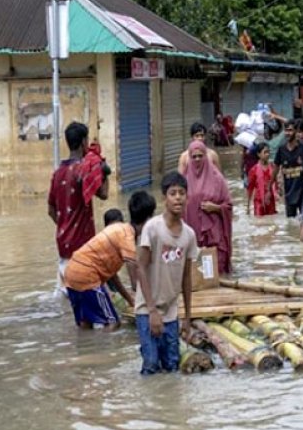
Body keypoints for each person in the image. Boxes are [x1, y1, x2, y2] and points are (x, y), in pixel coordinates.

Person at [135, 172, 199, 375]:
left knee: (172, 365)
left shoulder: (189, 235)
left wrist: (187, 317)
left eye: (182, 193)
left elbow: (186, 278)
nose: (178, 197)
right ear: (165, 198)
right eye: (173, 193)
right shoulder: (152, 229)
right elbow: (140, 268)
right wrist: (152, 311)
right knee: (151, 365)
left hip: (171, 311)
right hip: (148, 309)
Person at [63, 191, 156, 330]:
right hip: (86, 275)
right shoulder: (127, 239)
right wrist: (149, 305)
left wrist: (129, 300)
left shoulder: (119, 229)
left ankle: (86, 350)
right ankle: (106, 351)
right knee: (113, 322)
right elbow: (136, 280)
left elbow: (112, 275)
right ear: (149, 220)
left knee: (85, 323)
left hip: (71, 273)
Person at [48, 121, 109, 291]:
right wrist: (103, 171)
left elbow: (50, 210)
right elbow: (104, 194)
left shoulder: (57, 172)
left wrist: (65, 226)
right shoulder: (84, 169)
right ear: (83, 142)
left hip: (63, 245)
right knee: (87, 297)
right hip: (83, 247)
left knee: (66, 298)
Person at [184, 139, 233, 274]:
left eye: (200, 155)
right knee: (199, 273)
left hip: (215, 235)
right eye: (194, 156)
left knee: (217, 271)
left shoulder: (218, 179)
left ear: (206, 156)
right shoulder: (184, 181)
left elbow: (228, 205)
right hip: (193, 234)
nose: (197, 159)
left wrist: (216, 208)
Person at [272, 119, 303, 218]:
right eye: (286, 130)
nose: (288, 133)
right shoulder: (281, 149)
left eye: (290, 130)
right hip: (289, 193)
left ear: (296, 131)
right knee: (290, 222)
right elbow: (275, 168)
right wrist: (271, 187)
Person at [247, 142, 278, 217]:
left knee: (272, 222)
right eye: (265, 152)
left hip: (270, 201)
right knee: (260, 224)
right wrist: (248, 206)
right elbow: (250, 189)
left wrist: (278, 192)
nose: (267, 154)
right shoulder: (253, 170)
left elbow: (276, 182)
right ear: (258, 154)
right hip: (259, 202)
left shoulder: (273, 167)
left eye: (268, 152)